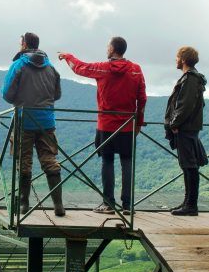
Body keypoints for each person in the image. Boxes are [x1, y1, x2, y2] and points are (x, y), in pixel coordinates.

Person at [58, 37, 146, 215]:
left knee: (107, 160)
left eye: (108, 46)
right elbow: (142, 98)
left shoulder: (103, 68)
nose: (107, 48)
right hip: (128, 124)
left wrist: (68, 56)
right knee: (127, 162)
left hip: (106, 123)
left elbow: (80, 68)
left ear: (113, 49)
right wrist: (139, 122)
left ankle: (108, 203)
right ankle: (128, 206)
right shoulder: (136, 70)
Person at [2, 32, 65, 217]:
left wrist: (21, 100)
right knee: (50, 160)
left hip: (24, 120)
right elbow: (57, 95)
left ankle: (24, 205)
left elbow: (7, 93)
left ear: (24, 44)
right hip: (46, 122)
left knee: (24, 162)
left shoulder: (19, 64)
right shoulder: (51, 67)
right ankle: (58, 205)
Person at [165, 46, 208, 216]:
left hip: (186, 128)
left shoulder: (189, 79)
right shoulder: (191, 78)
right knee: (187, 165)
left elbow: (185, 105)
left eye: (176, 57)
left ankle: (191, 206)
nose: (175, 60)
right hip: (188, 127)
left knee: (189, 165)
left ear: (183, 59)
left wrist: (174, 124)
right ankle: (187, 202)